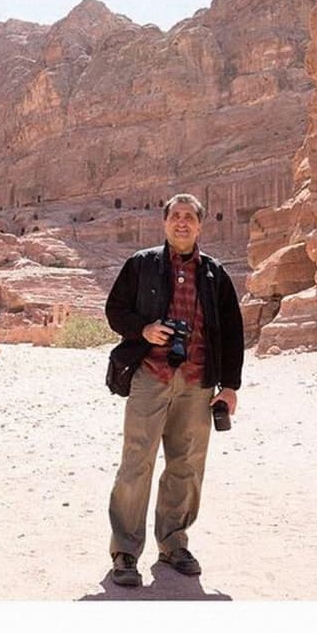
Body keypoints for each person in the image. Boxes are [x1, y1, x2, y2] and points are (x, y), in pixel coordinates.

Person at [104, 193, 244, 587]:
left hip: (199, 384)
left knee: (186, 466)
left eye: (189, 218)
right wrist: (144, 330)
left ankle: (174, 543)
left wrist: (230, 386)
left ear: (200, 226)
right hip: (151, 376)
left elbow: (233, 333)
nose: (182, 223)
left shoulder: (215, 274)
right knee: (136, 463)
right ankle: (125, 552)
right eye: (175, 216)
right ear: (164, 224)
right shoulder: (141, 265)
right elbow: (115, 311)